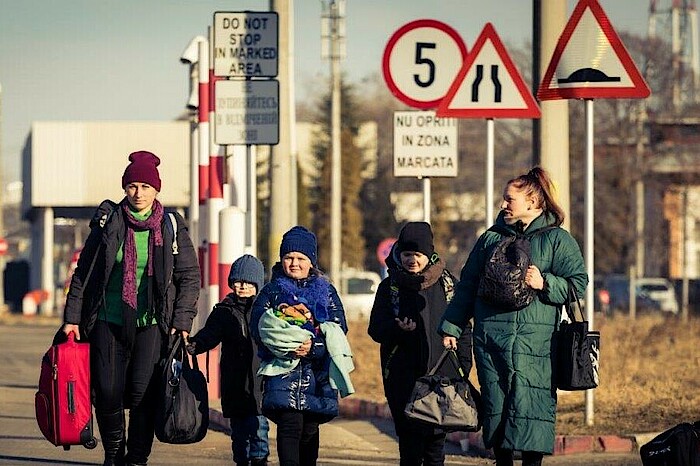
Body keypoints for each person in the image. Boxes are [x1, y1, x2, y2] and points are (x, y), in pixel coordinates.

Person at [440, 167, 588, 466]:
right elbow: (467, 286)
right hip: (491, 342)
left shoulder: (557, 240)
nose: (503, 204)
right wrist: (451, 327)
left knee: (532, 407)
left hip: (536, 346)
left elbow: (578, 284)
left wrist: (545, 282)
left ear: (534, 201)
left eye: (510, 199)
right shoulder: (489, 239)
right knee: (497, 408)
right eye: (504, 199)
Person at [62, 150, 200, 466]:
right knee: (108, 391)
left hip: (152, 323)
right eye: (132, 186)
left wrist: (182, 318)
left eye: (145, 187)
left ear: (156, 190)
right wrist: (72, 317)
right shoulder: (109, 221)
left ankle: (136, 458)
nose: (138, 193)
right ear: (125, 188)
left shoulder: (171, 226)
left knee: (143, 395)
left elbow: (190, 276)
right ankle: (113, 454)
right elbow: (84, 271)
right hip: (108, 318)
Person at [368, 222, 473, 466]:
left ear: (429, 254)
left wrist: (463, 367)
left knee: (436, 449)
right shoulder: (389, 287)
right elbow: (375, 329)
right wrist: (398, 330)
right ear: (399, 254)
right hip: (402, 380)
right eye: (407, 254)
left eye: (418, 255)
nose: (412, 260)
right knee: (410, 449)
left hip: (441, 379)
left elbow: (464, 328)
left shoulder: (448, 285)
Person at [250, 226, 352, 466]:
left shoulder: (326, 292)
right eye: (288, 258)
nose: (294, 263)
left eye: (300, 258)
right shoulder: (271, 292)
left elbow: (339, 330)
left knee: (309, 429)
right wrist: (285, 346)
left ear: (311, 261)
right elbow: (258, 328)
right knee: (290, 425)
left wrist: (313, 347)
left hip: (317, 377)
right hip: (282, 375)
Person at [186, 254, 270, 466]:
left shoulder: (264, 311)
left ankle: (260, 460)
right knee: (239, 433)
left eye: (248, 283)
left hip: (259, 383)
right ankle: (241, 460)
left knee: (259, 429)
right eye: (238, 282)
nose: (242, 286)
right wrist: (196, 344)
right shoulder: (223, 311)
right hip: (233, 383)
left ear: (257, 285)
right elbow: (210, 334)